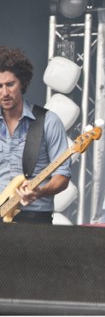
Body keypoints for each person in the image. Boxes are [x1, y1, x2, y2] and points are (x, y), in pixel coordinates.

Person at [0, 46, 71, 224]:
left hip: (34, 218)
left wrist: (39, 192)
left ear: (22, 83)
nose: (4, 93)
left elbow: (62, 177)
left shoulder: (48, 121)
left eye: (10, 84)